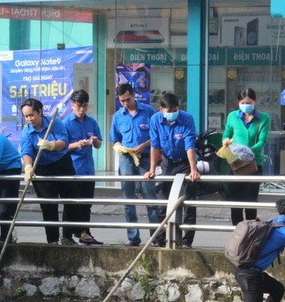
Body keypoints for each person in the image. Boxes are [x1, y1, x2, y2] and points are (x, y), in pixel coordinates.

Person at [19, 98, 79, 245]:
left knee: (70, 201)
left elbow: (64, 142)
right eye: (26, 116)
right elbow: (26, 151)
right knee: (48, 205)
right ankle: (52, 241)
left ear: (40, 112)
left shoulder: (55, 122)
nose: (29, 119)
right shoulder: (26, 131)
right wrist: (28, 167)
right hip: (42, 168)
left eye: (31, 115)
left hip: (62, 164)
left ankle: (67, 236)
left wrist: (52, 145)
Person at [144, 92, 201, 248]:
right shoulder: (155, 119)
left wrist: (193, 169)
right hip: (168, 163)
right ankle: (161, 238)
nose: (172, 113)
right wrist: (152, 169)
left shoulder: (186, 118)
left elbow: (190, 144)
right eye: (169, 111)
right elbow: (154, 145)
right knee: (163, 199)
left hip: (185, 162)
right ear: (161, 109)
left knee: (188, 201)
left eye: (175, 109)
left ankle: (187, 240)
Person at [108, 82, 161, 247]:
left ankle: (156, 237)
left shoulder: (148, 112)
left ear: (133, 95)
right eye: (122, 101)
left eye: (128, 99)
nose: (125, 103)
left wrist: (143, 146)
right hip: (126, 159)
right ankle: (133, 237)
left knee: (150, 197)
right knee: (128, 199)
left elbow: (157, 135)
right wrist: (118, 146)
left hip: (145, 158)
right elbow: (114, 138)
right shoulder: (118, 116)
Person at [221, 88, 270, 225]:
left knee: (250, 200)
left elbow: (262, 140)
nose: (245, 105)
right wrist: (225, 141)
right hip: (235, 163)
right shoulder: (232, 116)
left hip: (254, 164)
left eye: (248, 102)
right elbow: (226, 134)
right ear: (238, 103)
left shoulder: (264, 118)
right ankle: (237, 231)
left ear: (254, 102)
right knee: (235, 200)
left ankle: (250, 230)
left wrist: (248, 152)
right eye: (242, 102)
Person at [63, 89, 103, 245]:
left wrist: (94, 140)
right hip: (73, 168)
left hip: (88, 169)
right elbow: (61, 147)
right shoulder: (65, 123)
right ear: (72, 105)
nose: (82, 110)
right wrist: (76, 144)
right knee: (72, 203)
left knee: (86, 203)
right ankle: (66, 235)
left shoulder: (91, 122)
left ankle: (85, 233)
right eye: (79, 106)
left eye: (85, 106)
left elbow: (99, 144)